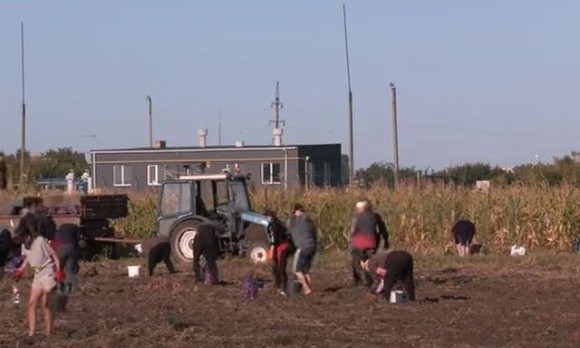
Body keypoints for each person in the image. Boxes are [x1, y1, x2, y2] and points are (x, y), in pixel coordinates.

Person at [14, 214, 64, 337]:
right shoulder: (24, 244)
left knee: (45, 304)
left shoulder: (40, 241)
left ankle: (48, 333)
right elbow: (26, 259)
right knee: (31, 304)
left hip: (47, 273)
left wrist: (58, 271)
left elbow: (54, 256)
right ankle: (31, 332)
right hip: (37, 276)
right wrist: (20, 270)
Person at [349, 200, 389, 287]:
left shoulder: (356, 217)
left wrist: (350, 241)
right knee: (370, 263)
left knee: (357, 263)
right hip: (371, 243)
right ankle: (372, 280)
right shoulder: (375, 216)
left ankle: (361, 281)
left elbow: (352, 231)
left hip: (358, 243)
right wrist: (386, 241)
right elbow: (382, 230)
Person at [288, 204, 317, 296]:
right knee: (306, 270)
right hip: (312, 247)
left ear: (297, 211)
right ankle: (310, 290)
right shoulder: (309, 221)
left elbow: (288, 226)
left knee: (297, 270)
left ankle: (307, 288)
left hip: (303, 247)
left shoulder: (295, 221)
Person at [265, 210, 292, 296]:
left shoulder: (273, 225)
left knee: (280, 268)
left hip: (280, 248)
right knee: (277, 268)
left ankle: (283, 288)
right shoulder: (280, 223)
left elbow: (274, 241)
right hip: (285, 246)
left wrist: (271, 253)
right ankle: (280, 286)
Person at [53, 224, 81, 294]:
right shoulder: (76, 228)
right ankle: (75, 289)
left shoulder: (59, 229)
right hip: (71, 248)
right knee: (70, 270)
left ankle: (58, 287)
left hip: (60, 248)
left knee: (59, 269)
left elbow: (55, 240)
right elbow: (78, 240)